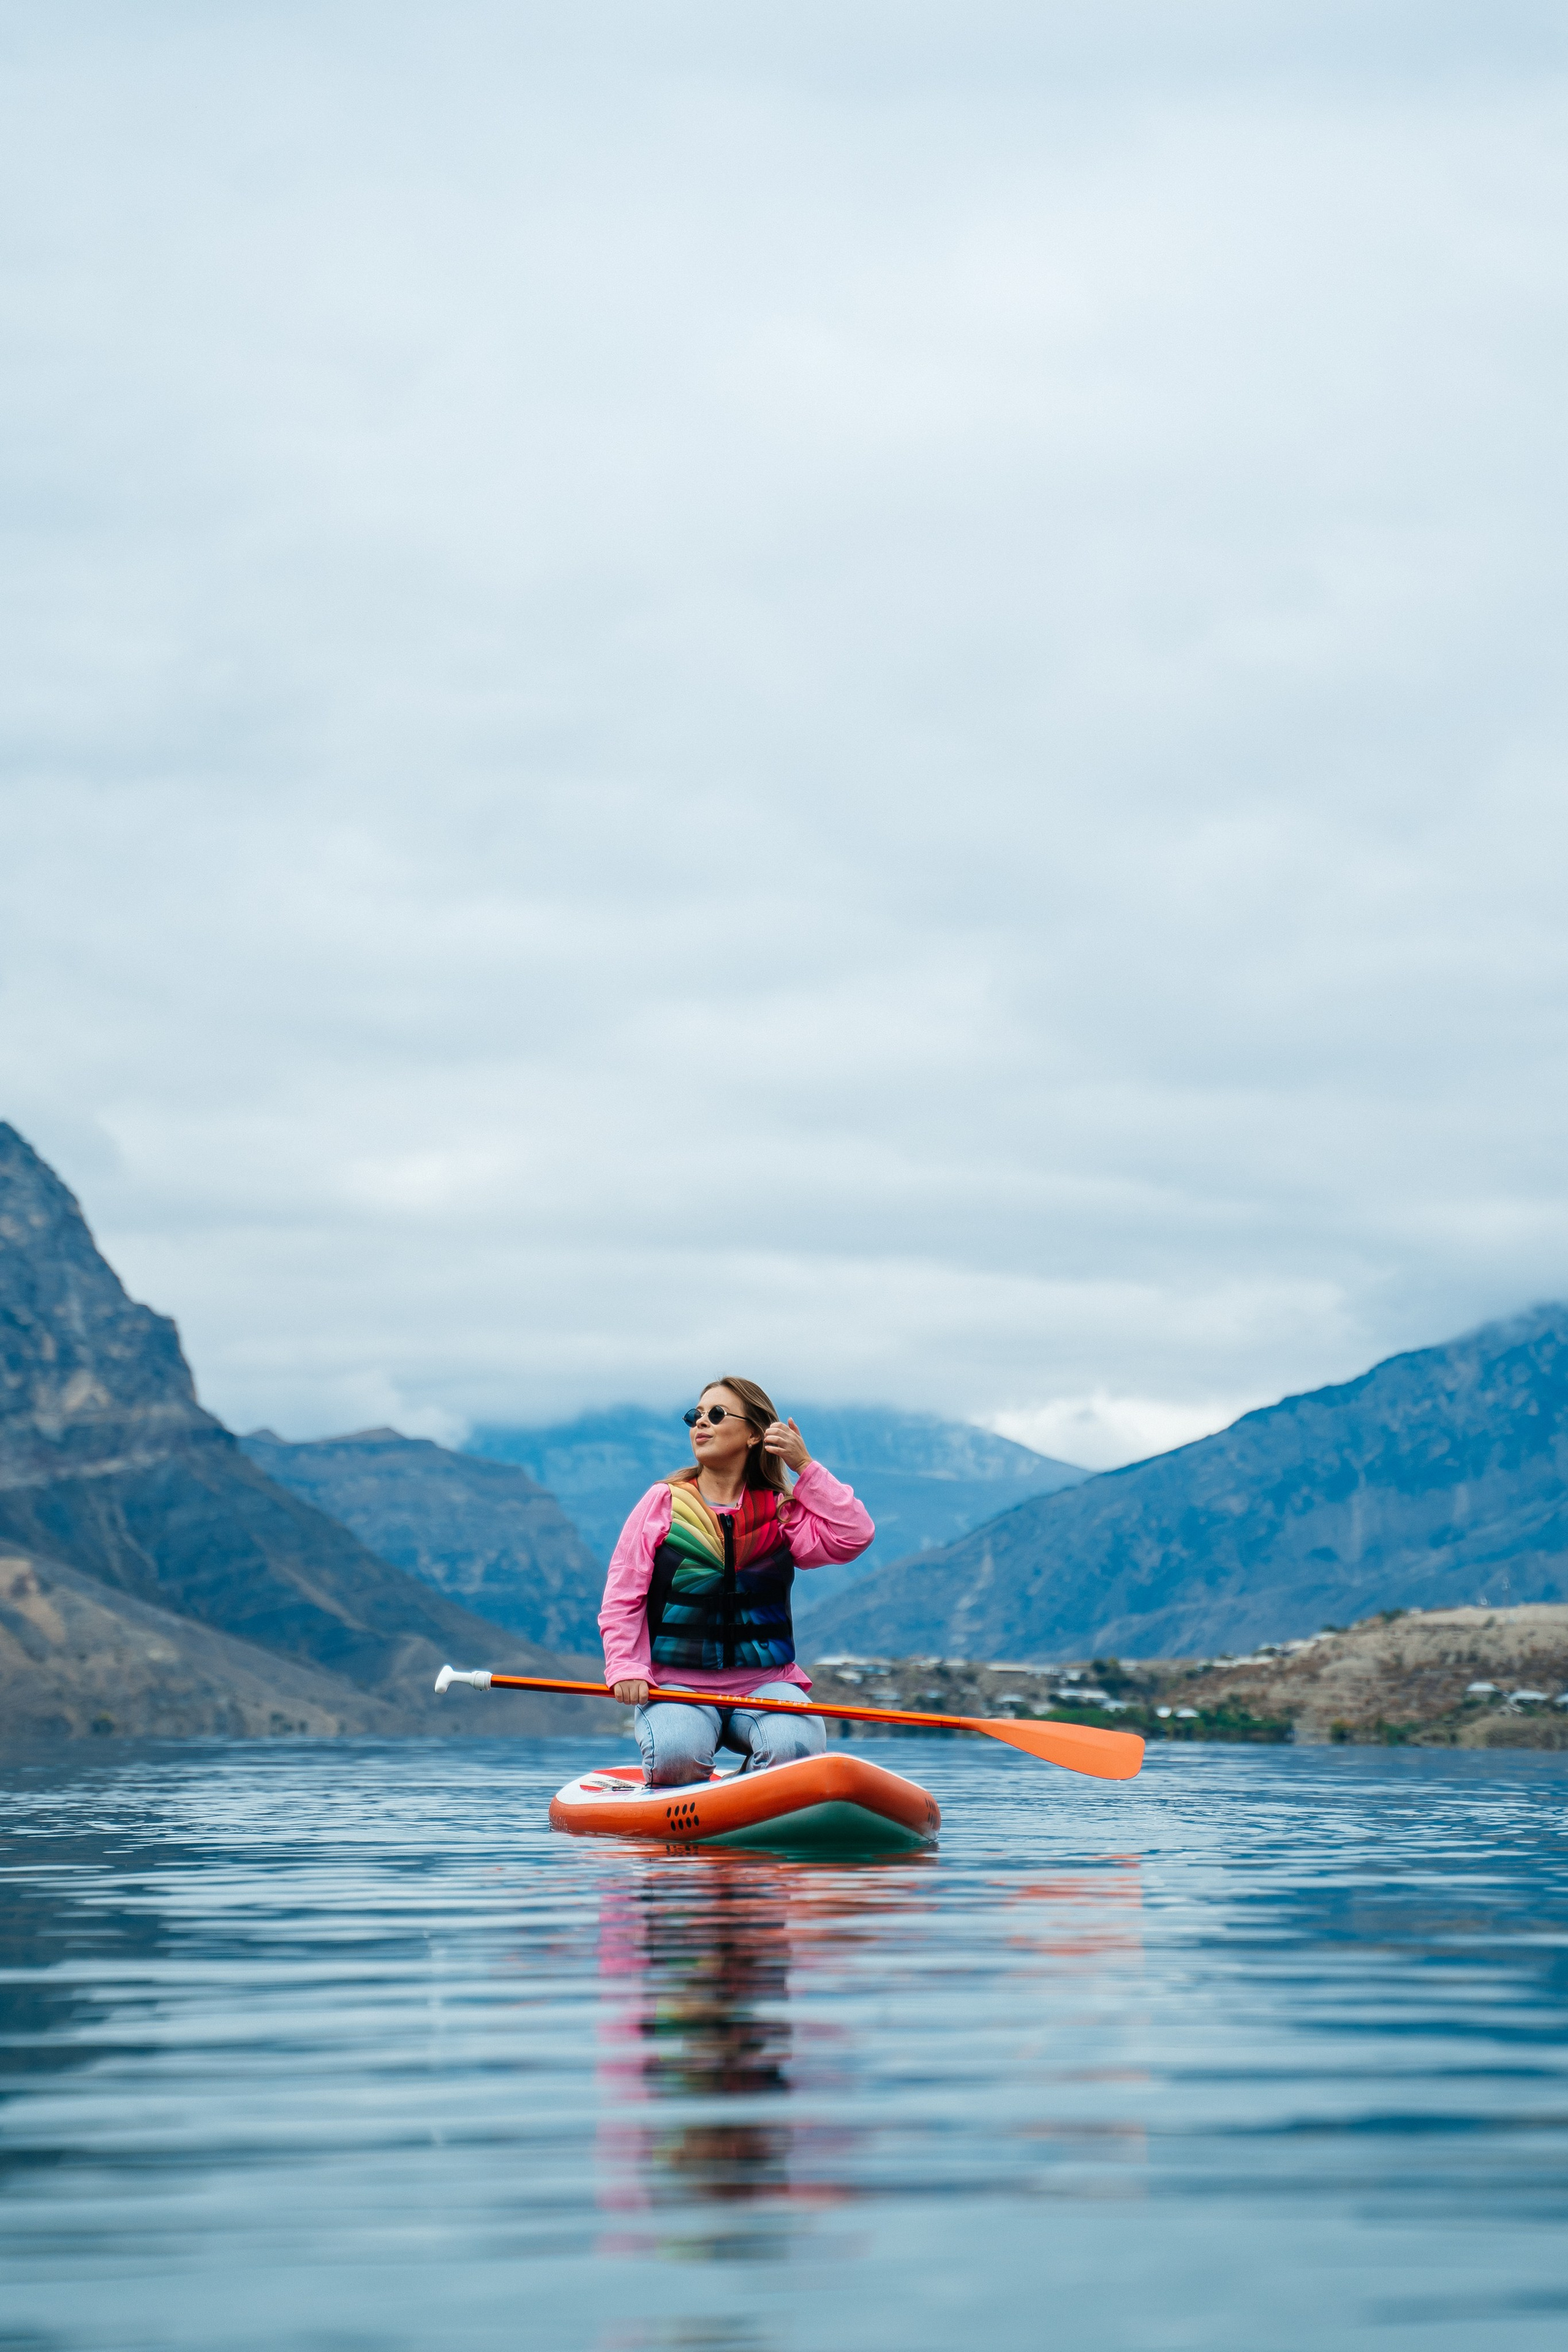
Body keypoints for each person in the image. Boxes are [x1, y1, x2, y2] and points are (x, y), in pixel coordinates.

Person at [598, 1376, 875, 1787]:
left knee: (794, 1753)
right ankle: (711, 1788)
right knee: (675, 1757)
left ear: (753, 1435)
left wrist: (805, 1467)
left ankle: (751, 1786)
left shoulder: (782, 1511)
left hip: (768, 1685)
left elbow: (855, 1534)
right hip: (678, 1687)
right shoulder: (662, 1502)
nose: (700, 1424)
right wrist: (625, 1667)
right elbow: (624, 1595)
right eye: (695, 1416)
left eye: (716, 1415)